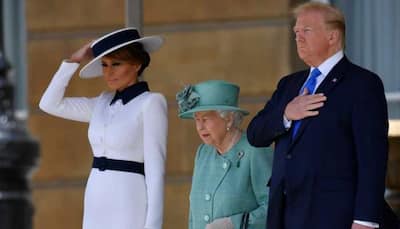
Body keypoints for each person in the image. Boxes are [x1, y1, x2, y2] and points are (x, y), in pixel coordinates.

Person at [247, 2, 399, 229]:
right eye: (296, 31)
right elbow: (255, 133)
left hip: (337, 217)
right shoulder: (289, 85)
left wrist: (365, 220)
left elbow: (372, 159)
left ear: (332, 36)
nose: (298, 37)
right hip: (287, 215)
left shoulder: (362, 84)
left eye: (306, 30)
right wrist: (287, 113)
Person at [39, 28, 168, 229]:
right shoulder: (101, 103)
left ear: (136, 64)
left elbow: (156, 171)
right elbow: (49, 104)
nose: (108, 72)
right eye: (104, 65)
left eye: (116, 64)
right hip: (96, 194)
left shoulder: (151, 103)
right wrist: (72, 61)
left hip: (129, 197)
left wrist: (153, 226)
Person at [176, 80, 273, 229]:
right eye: (197, 119)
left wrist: (234, 224)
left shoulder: (255, 149)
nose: (200, 127)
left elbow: (275, 206)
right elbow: (193, 215)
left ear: (228, 118)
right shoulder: (203, 153)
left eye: (206, 119)